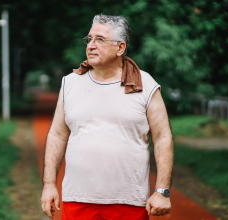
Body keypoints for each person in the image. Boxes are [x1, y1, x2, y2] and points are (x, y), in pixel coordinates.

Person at [41, 14, 173, 220]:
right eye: (89, 39)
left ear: (120, 48)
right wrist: (49, 185)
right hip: (77, 200)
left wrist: (162, 191)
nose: (91, 45)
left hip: (128, 203)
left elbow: (163, 138)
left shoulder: (144, 84)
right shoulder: (70, 83)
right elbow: (57, 135)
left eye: (100, 39)